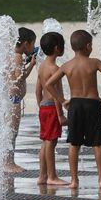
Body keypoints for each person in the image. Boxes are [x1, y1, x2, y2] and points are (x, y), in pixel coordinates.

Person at [45, 30, 101, 189]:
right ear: (88, 46)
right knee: (97, 144)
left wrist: (63, 100)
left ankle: (74, 180)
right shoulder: (95, 63)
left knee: (74, 144)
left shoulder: (66, 66)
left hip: (75, 105)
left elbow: (49, 84)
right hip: (92, 104)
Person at [36, 32, 68, 185]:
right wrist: (60, 113)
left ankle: (42, 176)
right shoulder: (55, 69)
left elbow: (38, 89)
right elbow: (56, 94)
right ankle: (52, 176)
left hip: (43, 107)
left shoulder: (42, 66)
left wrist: (40, 105)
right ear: (57, 48)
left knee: (45, 141)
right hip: (51, 108)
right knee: (51, 142)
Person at [5, 27, 37, 172]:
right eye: (32, 44)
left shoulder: (12, 54)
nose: (32, 47)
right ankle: (9, 163)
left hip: (10, 100)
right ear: (25, 43)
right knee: (12, 132)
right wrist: (31, 65)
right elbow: (19, 78)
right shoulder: (18, 57)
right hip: (14, 101)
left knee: (10, 132)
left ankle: (7, 161)